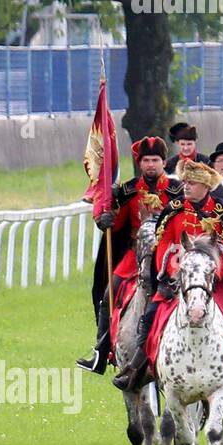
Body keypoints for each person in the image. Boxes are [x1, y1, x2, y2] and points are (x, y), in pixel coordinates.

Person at [111, 161, 223, 396]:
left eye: (191, 183)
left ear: (206, 186)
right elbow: (163, 244)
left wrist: (214, 271)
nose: (185, 187)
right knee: (150, 315)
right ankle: (135, 366)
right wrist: (174, 267)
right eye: (185, 182)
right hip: (179, 278)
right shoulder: (174, 210)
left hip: (215, 280)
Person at [78, 136, 183, 375]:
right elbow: (117, 224)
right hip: (135, 256)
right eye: (146, 160)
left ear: (163, 161)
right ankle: (101, 351)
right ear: (139, 162)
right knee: (109, 292)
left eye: (155, 160)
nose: (150, 165)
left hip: (170, 256)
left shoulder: (177, 191)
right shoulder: (128, 190)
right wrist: (105, 221)